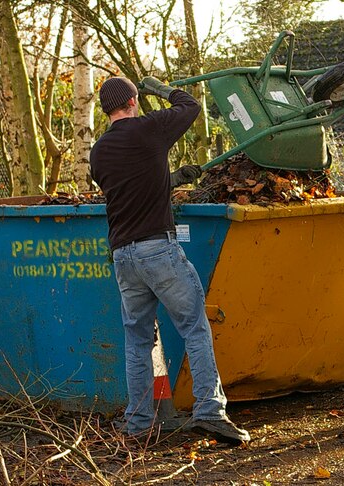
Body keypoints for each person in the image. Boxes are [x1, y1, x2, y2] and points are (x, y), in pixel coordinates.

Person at [89, 76, 250, 443]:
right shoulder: (150, 128)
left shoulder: (98, 152)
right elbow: (189, 106)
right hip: (157, 250)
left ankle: (139, 423)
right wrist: (159, 89)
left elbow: (129, 186)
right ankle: (210, 410)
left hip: (123, 256)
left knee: (137, 340)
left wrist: (172, 177)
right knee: (194, 326)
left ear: (106, 109)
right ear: (132, 100)